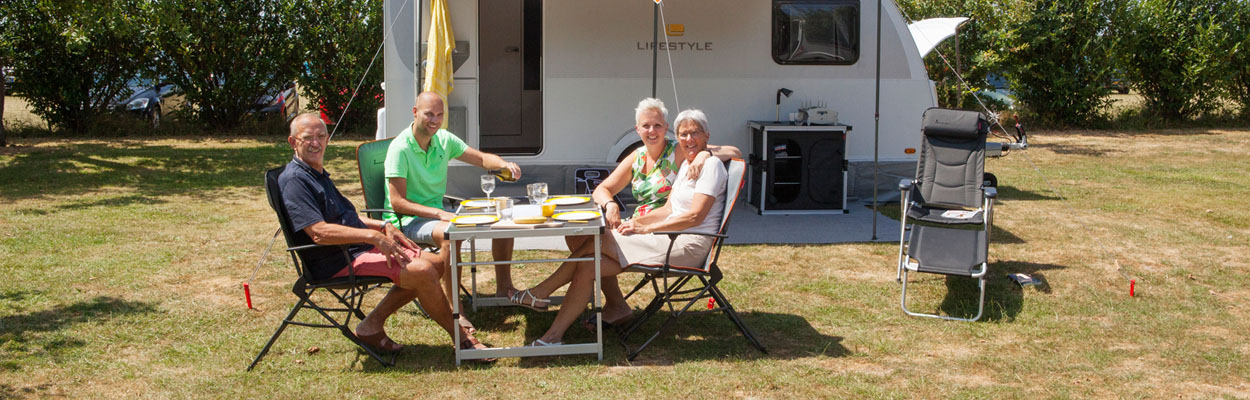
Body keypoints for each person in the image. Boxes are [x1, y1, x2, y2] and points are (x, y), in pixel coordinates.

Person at [503, 98, 738, 319]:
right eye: (646, 126)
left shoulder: (680, 150)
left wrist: (704, 154)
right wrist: (611, 204)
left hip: (662, 232)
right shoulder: (637, 157)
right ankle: (613, 303)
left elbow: (733, 152)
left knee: (592, 243)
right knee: (580, 237)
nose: (652, 131)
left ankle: (546, 293)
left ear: (666, 128)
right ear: (637, 129)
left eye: (657, 125)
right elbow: (601, 189)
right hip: (642, 225)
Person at [278, 113, 490, 355]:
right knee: (422, 271)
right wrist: (372, 237)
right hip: (335, 259)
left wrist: (381, 227)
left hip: (354, 248)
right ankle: (461, 339)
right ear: (293, 142)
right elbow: (319, 233)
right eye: (308, 138)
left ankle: (371, 325)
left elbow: (346, 218)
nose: (316, 143)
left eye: (321, 136)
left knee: (437, 262)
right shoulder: (295, 180)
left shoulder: (315, 172)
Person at [383, 92, 523, 330]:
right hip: (405, 221)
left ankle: (504, 288)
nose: (435, 120)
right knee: (451, 233)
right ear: (415, 113)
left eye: (439, 115)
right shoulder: (400, 148)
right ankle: (454, 309)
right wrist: (439, 214)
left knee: (502, 219)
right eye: (429, 114)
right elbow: (398, 203)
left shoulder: (443, 140)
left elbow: (480, 159)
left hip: (436, 215)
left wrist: (503, 165)